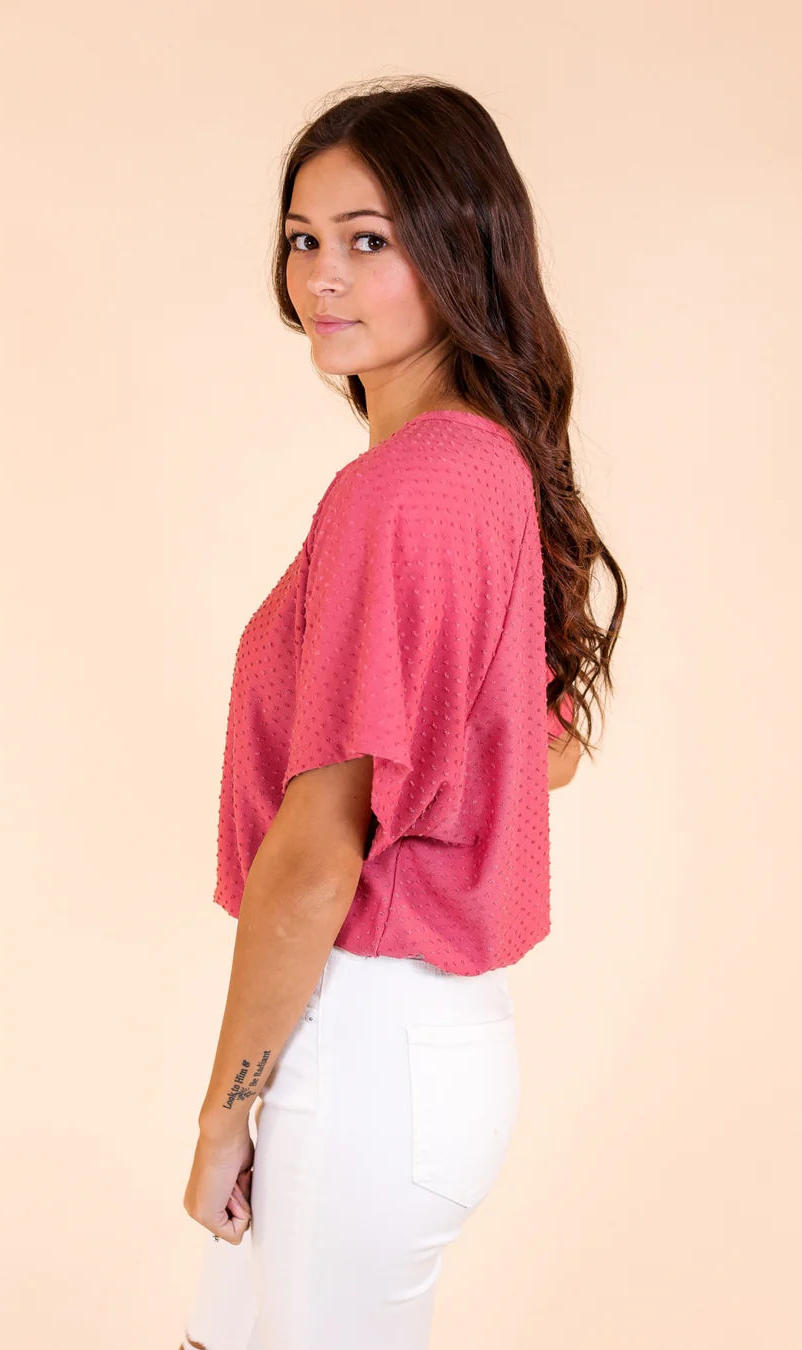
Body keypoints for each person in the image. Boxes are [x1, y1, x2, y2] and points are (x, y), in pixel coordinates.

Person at [178, 76, 626, 1350]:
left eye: (368, 239)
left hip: (360, 1048)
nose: (322, 275)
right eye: (303, 238)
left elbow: (319, 853)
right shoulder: (488, 465)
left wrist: (224, 1111)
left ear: (458, 248)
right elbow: (546, 751)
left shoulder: (402, 493)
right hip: (421, 1051)